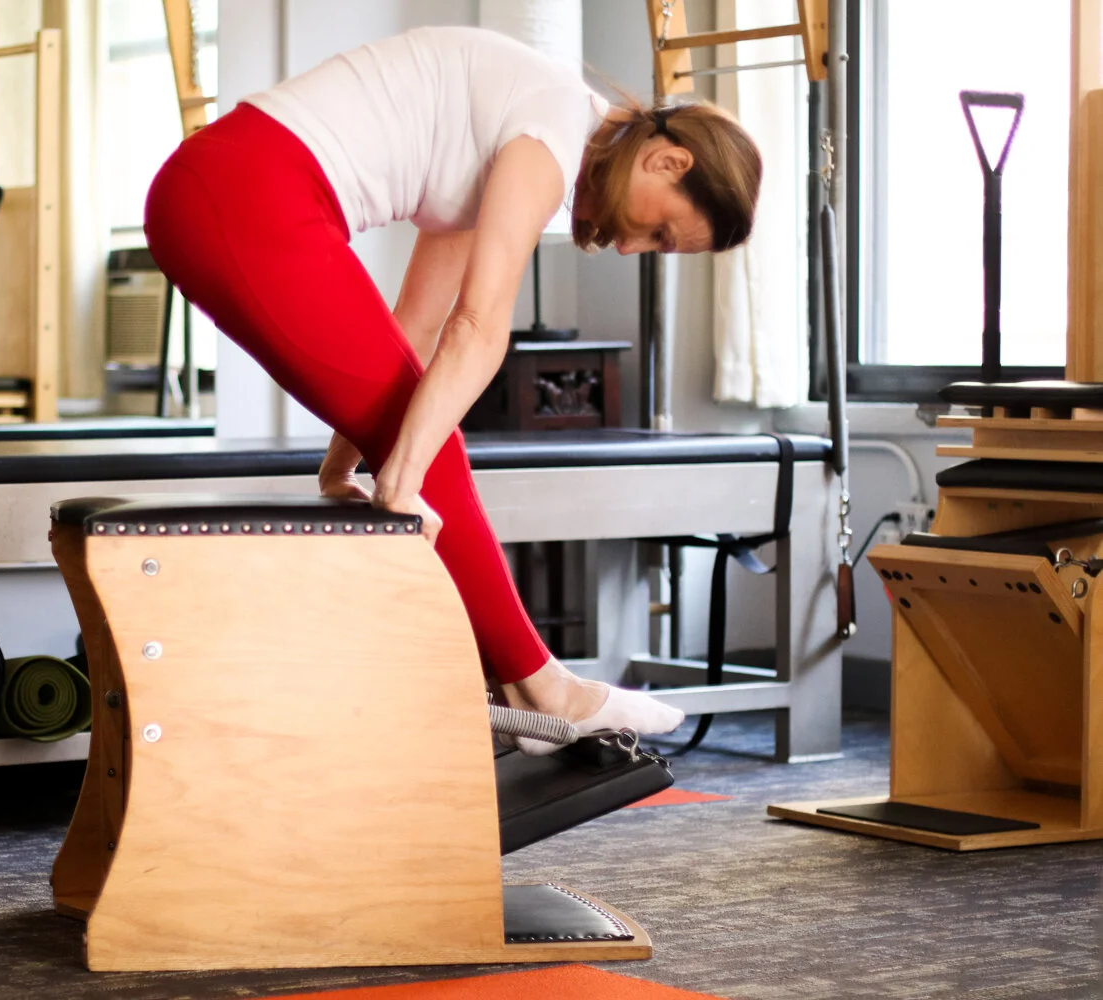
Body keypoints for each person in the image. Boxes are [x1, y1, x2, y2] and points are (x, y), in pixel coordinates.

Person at [143, 24, 762, 753]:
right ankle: (545, 687)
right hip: (247, 194)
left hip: (225, 188)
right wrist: (402, 486)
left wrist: (344, 468)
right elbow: (479, 327)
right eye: (659, 232)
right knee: (434, 446)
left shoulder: (517, 136)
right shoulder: (549, 131)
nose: (631, 249)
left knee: (423, 426)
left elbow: (412, 331)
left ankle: (523, 680)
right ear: (666, 159)